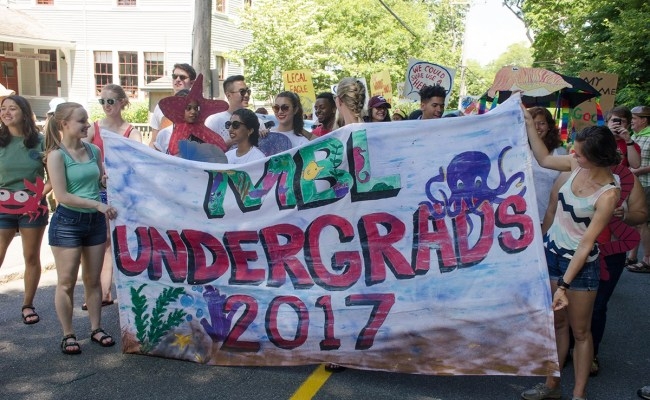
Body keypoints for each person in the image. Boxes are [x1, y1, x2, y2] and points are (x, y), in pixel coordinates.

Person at [521, 109, 621, 400]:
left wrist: (564, 285)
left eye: (579, 154)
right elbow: (543, 158)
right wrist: (528, 122)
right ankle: (552, 387)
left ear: (597, 158)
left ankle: (579, 394)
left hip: (579, 267)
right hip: (552, 255)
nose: (573, 156)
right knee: (557, 324)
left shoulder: (608, 193)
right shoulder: (576, 165)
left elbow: (587, 244)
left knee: (580, 332)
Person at [44, 102, 118, 354]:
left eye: (86, 119)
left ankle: (96, 328)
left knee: (93, 280)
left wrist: (106, 181)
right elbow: (62, 196)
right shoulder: (56, 155)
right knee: (66, 282)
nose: (88, 124)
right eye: (81, 120)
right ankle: (68, 334)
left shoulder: (94, 150)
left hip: (94, 221)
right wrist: (96, 204)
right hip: (68, 223)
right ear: (64, 124)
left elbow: (98, 181)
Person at [83, 84, 142, 309]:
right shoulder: (93, 129)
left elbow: (140, 163)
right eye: (102, 102)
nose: (106, 106)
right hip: (97, 191)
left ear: (122, 103)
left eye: (111, 101)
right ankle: (99, 291)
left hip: (121, 194)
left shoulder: (131, 132)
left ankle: (106, 291)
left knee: (115, 242)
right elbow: (82, 156)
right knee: (99, 242)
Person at [0, 95, 51, 325]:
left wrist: (39, 196)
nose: (6, 112)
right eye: (3, 109)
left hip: (33, 207)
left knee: (31, 256)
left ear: (24, 112)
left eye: (12, 108)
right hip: (2, 205)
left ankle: (27, 305)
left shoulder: (40, 142)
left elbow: (55, 176)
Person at [157, 74, 228, 160]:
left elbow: (221, 148)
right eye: (188, 108)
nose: (193, 112)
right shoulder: (164, 135)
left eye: (196, 108)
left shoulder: (205, 135)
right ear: (178, 111)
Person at [529, 106, 568, 223]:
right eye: (533, 123)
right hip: (524, 216)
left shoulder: (560, 152)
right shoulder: (519, 151)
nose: (537, 127)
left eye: (542, 123)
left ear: (549, 126)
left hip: (550, 216)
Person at [149, 63, 196, 148]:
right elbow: (153, 140)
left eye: (182, 77)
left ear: (192, 83)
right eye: (174, 76)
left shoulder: (199, 108)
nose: (177, 80)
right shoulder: (161, 106)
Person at [626, 105, 650, 273]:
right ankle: (632, 256)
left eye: (634, 119)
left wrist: (638, 170)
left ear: (644, 120)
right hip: (634, 185)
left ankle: (647, 259)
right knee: (634, 222)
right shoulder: (634, 136)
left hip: (646, 184)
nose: (631, 122)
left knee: (641, 223)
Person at [204, 75, 254, 148]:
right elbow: (207, 151)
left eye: (248, 91)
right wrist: (233, 141)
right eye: (242, 92)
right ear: (228, 95)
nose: (246, 95)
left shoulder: (255, 120)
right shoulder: (213, 121)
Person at [258, 91, 310, 156]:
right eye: (276, 108)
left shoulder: (303, 142)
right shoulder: (266, 135)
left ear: (295, 109)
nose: (280, 112)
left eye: (285, 108)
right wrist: (258, 138)